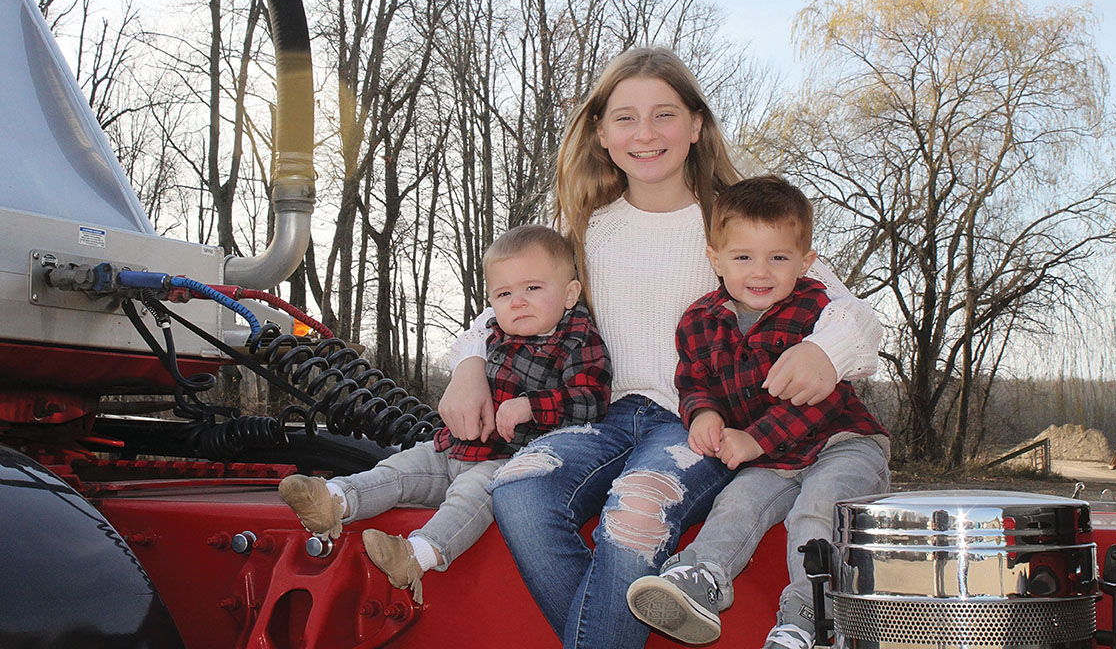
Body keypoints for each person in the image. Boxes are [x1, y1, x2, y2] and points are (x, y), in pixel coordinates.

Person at [438, 47, 882, 649]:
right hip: (603, 414)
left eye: (664, 115)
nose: (645, 134)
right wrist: (468, 368)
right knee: (519, 488)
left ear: (696, 126)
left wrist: (825, 354)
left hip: (694, 420)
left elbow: (852, 315)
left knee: (636, 515)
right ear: (599, 131)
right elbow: (503, 310)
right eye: (625, 118)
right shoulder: (584, 226)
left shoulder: (735, 225)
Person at [278, 224, 611, 603]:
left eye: (532, 288)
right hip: (453, 448)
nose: (517, 301)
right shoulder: (490, 333)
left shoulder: (577, 338)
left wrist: (531, 406)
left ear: (569, 293)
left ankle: (416, 556)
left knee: (470, 499)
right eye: (504, 293)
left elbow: (592, 400)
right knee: (397, 470)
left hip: (508, 460)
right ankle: (333, 500)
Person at [624, 175, 890, 648]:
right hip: (770, 460)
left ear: (805, 262)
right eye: (743, 257)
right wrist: (704, 415)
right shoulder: (699, 320)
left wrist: (754, 439)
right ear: (715, 258)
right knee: (735, 505)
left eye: (779, 258)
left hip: (841, 445)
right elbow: (694, 381)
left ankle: (813, 620)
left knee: (815, 514)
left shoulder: (818, 309)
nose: (760, 272)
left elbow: (823, 400)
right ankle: (699, 577)